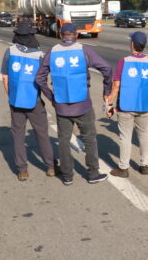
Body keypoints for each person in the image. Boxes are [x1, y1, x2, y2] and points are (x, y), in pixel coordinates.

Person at [35, 22, 112, 186]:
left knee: (63, 140)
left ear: (60, 35)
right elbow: (107, 68)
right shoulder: (84, 50)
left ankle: (67, 176)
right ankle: (93, 173)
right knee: (89, 138)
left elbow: (39, 78)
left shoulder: (52, 52)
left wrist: (51, 97)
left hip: (61, 105)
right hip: (83, 104)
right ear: (76, 35)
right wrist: (106, 91)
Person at [0, 20, 56, 181]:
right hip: (35, 101)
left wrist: (11, 96)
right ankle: (50, 166)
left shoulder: (9, 52)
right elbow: (43, 79)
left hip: (15, 101)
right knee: (42, 134)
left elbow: (5, 77)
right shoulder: (39, 55)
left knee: (18, 135)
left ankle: (22, 170)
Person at [106, 31, 148, 177]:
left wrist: (110, 104)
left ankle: (123, 168)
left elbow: (116, 85)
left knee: (125, 137)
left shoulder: (124, 61)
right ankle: (144, 165)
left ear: (132, 44)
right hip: (143, 106)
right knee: (144, 135)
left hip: (125, 106)